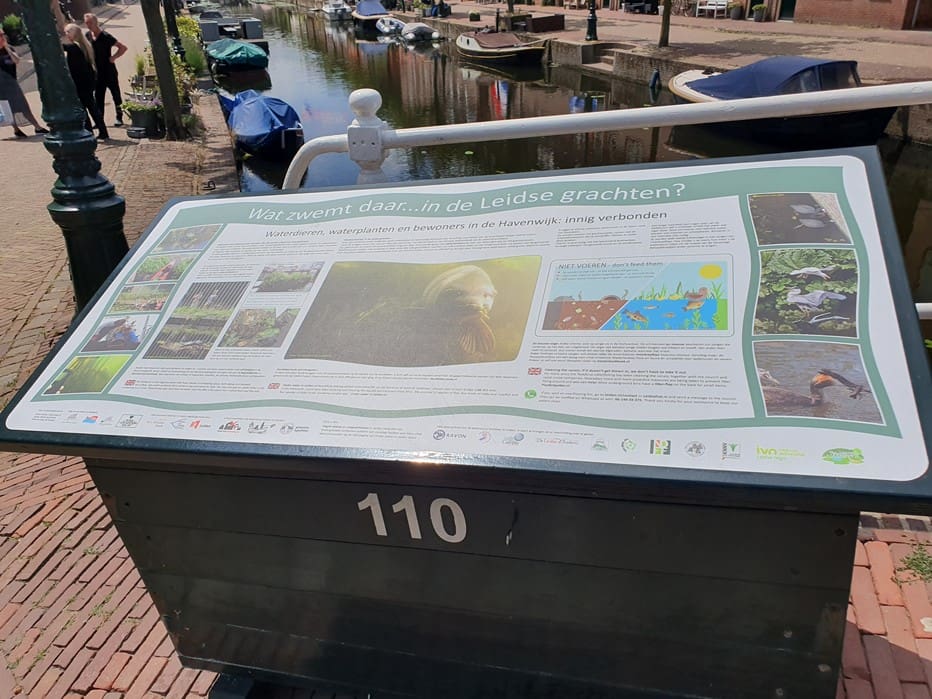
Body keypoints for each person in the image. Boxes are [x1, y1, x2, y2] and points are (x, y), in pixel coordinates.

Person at [0, 29, 50, 138]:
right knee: (8, 109)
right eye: (0, 35)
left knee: (23, 105)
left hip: (12, 83)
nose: (2, 37)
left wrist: (6, 48)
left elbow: (16, 60)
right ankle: (16, 130)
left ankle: (37, 127)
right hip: (2, 84)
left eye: (2, 35)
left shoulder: (9, 48)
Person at [62, 23, 109, 140]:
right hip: (87, 81)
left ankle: (89, 132)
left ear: (74, 33)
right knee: (91, 107)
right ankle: (102, 131)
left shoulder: (74, 47)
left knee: (84, 108)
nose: (66, 34)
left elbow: (61, 47)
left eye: (68, 32)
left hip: (80, 83)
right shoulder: (83, 45)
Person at [84, 13, 126, 127]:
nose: (88, 25)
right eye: (86, 23)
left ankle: (119, 117)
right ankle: (100, 120)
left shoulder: (105, 36)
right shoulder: (87, 35)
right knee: (98, 96)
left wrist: (114, 57)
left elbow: (122, 47)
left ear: (96, 22)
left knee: (115, 94)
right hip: (97, 72)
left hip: (109, 70)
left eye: (90, 23)